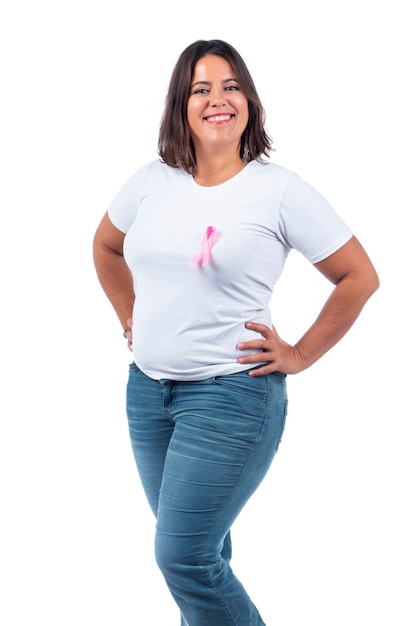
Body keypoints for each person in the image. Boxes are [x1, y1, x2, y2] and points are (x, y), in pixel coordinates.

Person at [93, 39, 379, 626]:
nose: (217, 99)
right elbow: (105, 245)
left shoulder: (278, 190)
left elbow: (359, 276)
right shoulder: (151, 181)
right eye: (201, 89)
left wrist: (299, 353)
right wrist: (130, 312)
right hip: (148, 394)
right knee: (204, 551)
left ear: (248, 100)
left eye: (230, 86)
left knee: (184, 558)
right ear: (182, 104)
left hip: (232, 397)